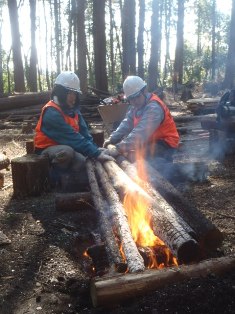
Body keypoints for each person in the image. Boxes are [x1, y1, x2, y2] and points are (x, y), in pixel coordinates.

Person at [34, 71, 113, 188]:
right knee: (66, 152)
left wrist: (95, 149)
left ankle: (70, 179)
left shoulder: (73, 110)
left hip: (68, 144)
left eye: (75, 94)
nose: (73, 98)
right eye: (70, 93)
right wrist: (96, 153)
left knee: (82, 161)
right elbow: (72, 137)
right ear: (60, 92)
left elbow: (84, 134)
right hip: (47, 149)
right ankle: (53, 178)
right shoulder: (51, 112)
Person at [103, 75, 180, 169]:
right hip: (149, 141)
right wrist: (112, 138)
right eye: (131, 99)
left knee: (136, 156)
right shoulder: (136, 106)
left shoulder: (154, 108)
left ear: (145, 91)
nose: (134, 101)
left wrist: (119, 148)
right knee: (132, 154)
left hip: (165, 143)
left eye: (137, 97)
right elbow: (126, 123)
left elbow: (140, 132)